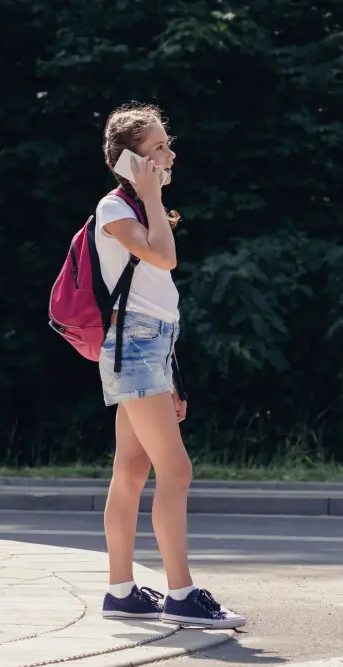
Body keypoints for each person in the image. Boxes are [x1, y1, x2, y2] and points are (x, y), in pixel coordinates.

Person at [96, 103, 246, 630]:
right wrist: (153, 197)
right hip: (133, 348)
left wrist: (173, 378)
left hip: (150, 347)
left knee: (132, 471)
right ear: (132, 161)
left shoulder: (137, 207)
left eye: (166, 143)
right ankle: (181, 595)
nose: (170, 152)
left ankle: (121, 592)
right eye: (159, 147)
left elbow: (159, 300)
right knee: (175, 470)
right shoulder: (115, 209)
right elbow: (164, 258)